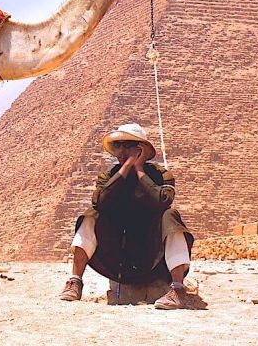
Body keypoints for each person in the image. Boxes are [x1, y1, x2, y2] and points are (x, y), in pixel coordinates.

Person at [59, 123, 194, 309]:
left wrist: (139, 170)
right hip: (120, 257)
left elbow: (162, 201)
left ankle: (178, 290)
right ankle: (75, 281)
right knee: (91, 215)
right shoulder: (109, 176)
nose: (120, 151)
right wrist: (124, 170)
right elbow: (99, 201)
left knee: (171, 216)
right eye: (117, 146)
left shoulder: (161, 175)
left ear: (141, 149)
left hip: (152, 256)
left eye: (126, 145)